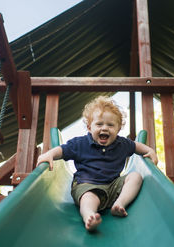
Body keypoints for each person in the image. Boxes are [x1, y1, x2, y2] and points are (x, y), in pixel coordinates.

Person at [36, 96, 158, 231]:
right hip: (87, 185)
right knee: (88, 199)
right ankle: (89, 216)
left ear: (118, 129)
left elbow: (136, 146)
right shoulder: (80, 143)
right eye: (99, 124)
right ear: (89, 127)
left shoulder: (121, 144)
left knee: (136, 176)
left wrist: (149, 151)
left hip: (112, 186)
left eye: (110, 125)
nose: (104, 128)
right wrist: (50, 154)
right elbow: (62, 150)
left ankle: (119, 204)